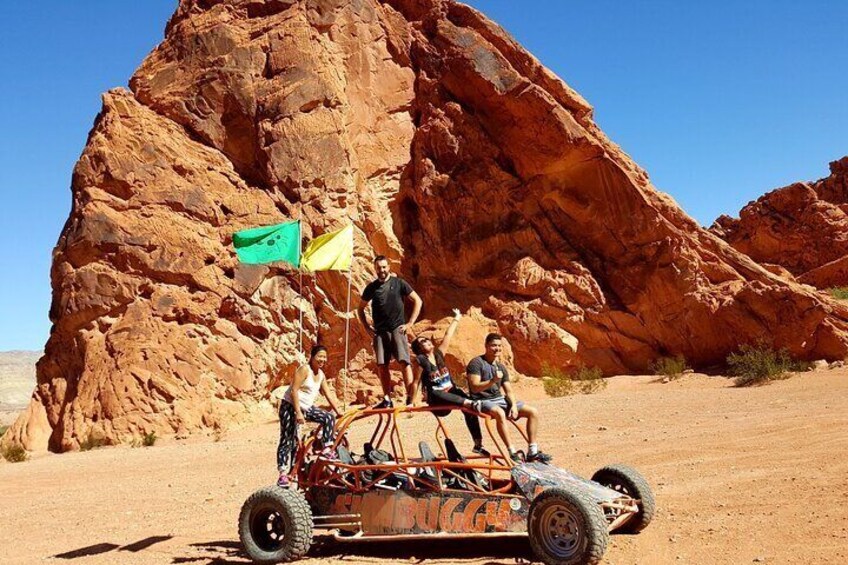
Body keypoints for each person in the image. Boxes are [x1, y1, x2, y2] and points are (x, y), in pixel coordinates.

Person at [411, 309, 488, 456]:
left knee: (469, 406)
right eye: (422, 341)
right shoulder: (421, 361)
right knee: (436, 391)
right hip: (438, 403)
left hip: (452, 395)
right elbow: (415, 381)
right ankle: (468, 403)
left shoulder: (439, 354)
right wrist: (412, 400)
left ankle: (478, 445)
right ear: (418, 348)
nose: (426, 341)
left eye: (426, 339)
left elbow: (448, 335)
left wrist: (457, 318)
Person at [466, 333, 552, 464]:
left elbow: (509, 390)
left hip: (499, 399)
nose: (497, 349)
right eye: (493, 345)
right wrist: (493, 380)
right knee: (499, 413)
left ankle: (532, 451)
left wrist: (512, 406)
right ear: (486, 346)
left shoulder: (500, 367)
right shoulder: (476, 363)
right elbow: (474, 387)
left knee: (532, 412)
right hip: (481, 400)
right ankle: (512, 452)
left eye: (499, 346)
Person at [357, 255, 423, 408]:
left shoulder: (399, 283)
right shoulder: (371, 288)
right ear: (375, 269)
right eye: (379, 267)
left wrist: (410, 323)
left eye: (384, 267)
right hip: (380, 331)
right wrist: (367, 328)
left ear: (389, 267)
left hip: (397, 328)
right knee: (382, 364)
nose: (382, 270)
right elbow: (360, 309)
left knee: (404, 362)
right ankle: (387, 399)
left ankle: (410, 398)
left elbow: (417, 301)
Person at [274, 345, 342, 487]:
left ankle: (327, 449)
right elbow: (294, 390)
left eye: (324, 357)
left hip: (306, 408)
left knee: (328, 418)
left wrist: (338, 410)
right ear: (312, 357)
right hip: (290, 406)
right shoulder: (305, 369)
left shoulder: (321, 375)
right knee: (288, 439)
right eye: (319, 356)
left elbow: (328, 393)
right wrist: (298, 412)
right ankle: (283, 474)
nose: (322, 359)